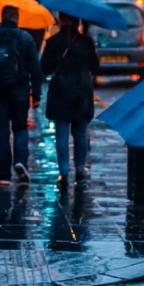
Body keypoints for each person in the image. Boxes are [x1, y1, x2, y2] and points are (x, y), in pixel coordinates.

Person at [0, 4, 42, 186]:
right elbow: (35, 68)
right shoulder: (25, 38)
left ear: (2, 17)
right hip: (19, 90)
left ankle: (4, 175)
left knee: (1, 131)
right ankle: (20, 161)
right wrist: (36, 94)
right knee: (20, 127)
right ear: (17, 18)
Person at [39, 14, 99, 187]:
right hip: (81, 93)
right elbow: (94, 66)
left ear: (60, 20)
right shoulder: (86, 41)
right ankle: (80, 170)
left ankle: (64, 173)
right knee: (80, 134)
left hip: (60, 91)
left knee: (61, 134)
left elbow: (45, 68)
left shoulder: (52, 42)